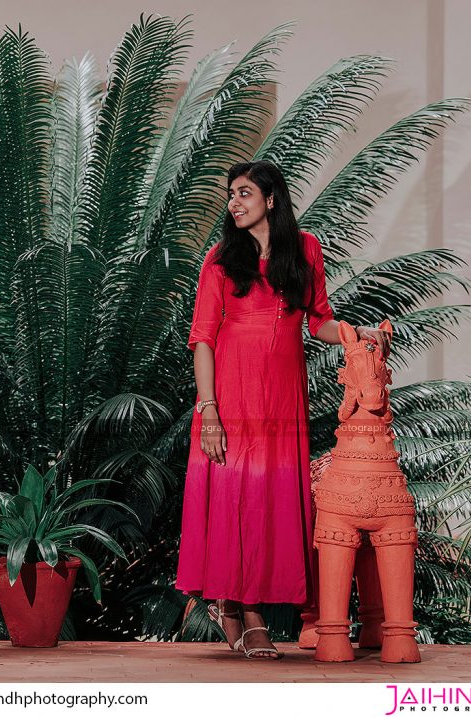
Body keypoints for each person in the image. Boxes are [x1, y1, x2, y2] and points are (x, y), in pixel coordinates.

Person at [175, 160, 390, 659]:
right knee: (234, 497)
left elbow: (319, 321)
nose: (234, 202)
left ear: (271, 199)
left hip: (282, 395)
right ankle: (248, 614)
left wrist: (356, 334)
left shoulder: (305, 249)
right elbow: (203, 338)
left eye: (244, 193)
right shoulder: (220, 258)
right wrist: (209, 410)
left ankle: (231, 605)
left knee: (265, 499)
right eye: (231, 194)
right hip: (230, 393)